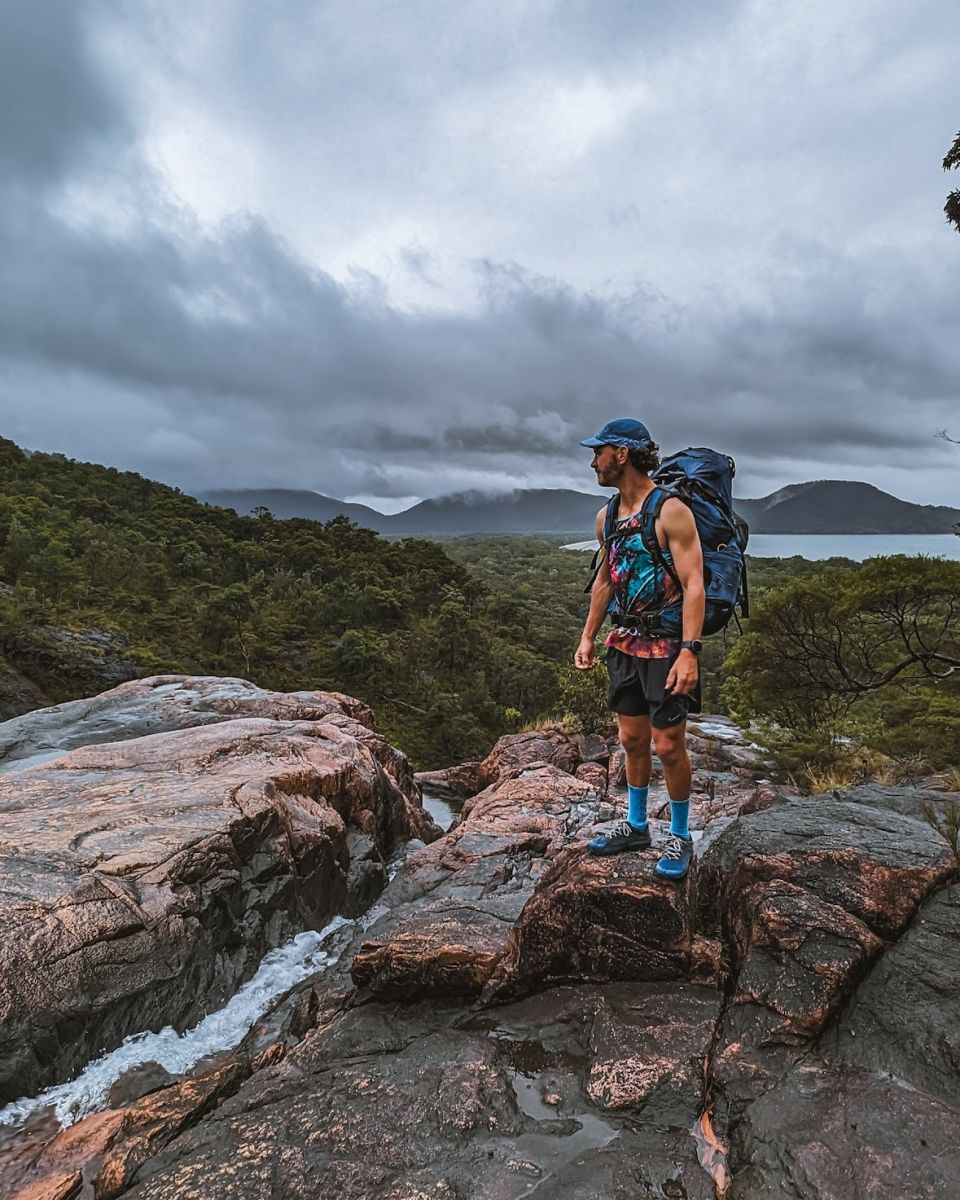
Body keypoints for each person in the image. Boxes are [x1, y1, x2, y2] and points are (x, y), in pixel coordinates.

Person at [574, 418, 705, 880]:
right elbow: (606, 580)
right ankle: (636, 825)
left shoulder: (670, 510)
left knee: (668, 745)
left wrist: (690, 651)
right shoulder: (606, 516)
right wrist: (588, 635)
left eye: (599, 452)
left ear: (622, 454)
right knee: (630, 740)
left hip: (668, 645)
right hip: (625, 642)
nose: (593, 461)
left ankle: (681, 835)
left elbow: (693, 584)